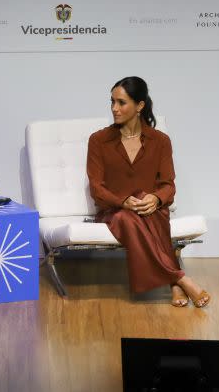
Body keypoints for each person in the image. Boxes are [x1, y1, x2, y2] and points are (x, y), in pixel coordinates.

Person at [86, 76, 210, 308]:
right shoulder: (98, 140)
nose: (114, 108)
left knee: (149, 207)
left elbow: (168, 185)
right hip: (114, 213)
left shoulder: (160, 141)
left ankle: (174, 284)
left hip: (151, 211)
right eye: (112, 102)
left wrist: (157, 197)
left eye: (121, 103)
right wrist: (123, 202)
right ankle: (179, 278)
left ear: (140, 106)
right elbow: (97, 188)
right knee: (128, 217)